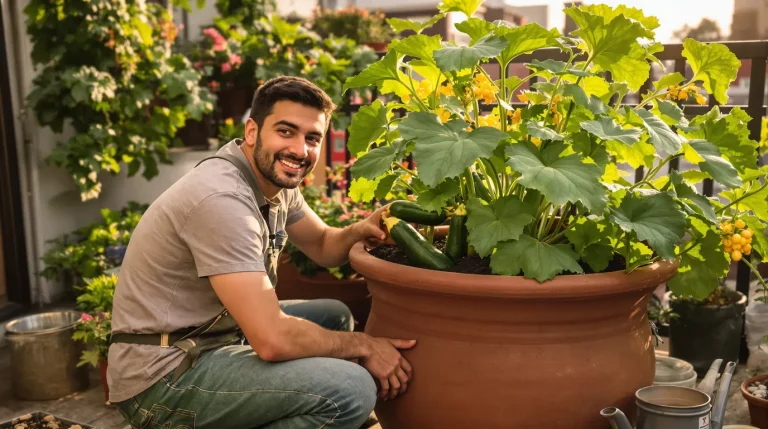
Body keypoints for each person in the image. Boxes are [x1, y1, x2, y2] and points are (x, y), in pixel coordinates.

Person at [107, 76, 416, 429]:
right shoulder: (222, 200)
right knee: (351, 390)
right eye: (286, 131)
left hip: (209, 338)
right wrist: (364, 345)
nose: (300, 150)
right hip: (161, 376)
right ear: (252, 131)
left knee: (333, 316)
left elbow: (322, 246)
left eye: (312, 138)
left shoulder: (272, 181)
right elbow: (271, 339)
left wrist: (359, 229)